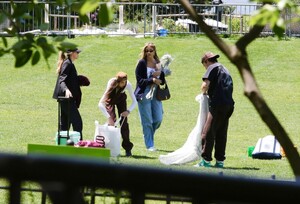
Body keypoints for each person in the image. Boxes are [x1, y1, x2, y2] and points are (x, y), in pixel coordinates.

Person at [195, 52, 234, 168]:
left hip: (217, 104)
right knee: (221, 132)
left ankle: (206, 160)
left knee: (207, 132)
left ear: (206, 61)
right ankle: (220, 161)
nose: (205, 67)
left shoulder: (212, 68)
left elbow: (204, 85)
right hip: (229, 105)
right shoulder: (225, 68)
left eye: (204, 65)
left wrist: (203, 94)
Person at [134, 42, 166, 151]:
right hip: (144, 93)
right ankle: (150, 145)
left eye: (151, 50)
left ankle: (149, 136)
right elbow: (139, 81)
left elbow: (162, 81)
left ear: (154, 51)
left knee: (158, 118)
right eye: (146, 51)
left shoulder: (158, 63)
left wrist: (160, 74)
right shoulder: (141, 63)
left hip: (156, 92)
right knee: (147, 120)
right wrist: (151, 79)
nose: (148, 53)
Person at [53, 48, 90, 141]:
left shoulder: (69, 63)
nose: (78, 54)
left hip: (65, 99)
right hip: (66, 98)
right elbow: (62, 79)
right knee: (77, 122)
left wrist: (78, 80)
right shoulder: (67, 63)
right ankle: (79, 145)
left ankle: (62, 145)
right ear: (71, 53)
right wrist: (66, 90)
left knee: (65, 123)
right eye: (77, 52)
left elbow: (68, 79)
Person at [98, 72, 137, 157]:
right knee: (112, 124)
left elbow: (134, 101)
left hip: (121, 100)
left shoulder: (128, 85)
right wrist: (109, 118)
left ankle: (128, 149)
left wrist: (128, 111)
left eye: (125, 82)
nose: (124, 84)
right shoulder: (111, 84)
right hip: (110, 100)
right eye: (122, 82)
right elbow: (100, 104)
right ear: (117, 82)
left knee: (124, 124)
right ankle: (110, 148)